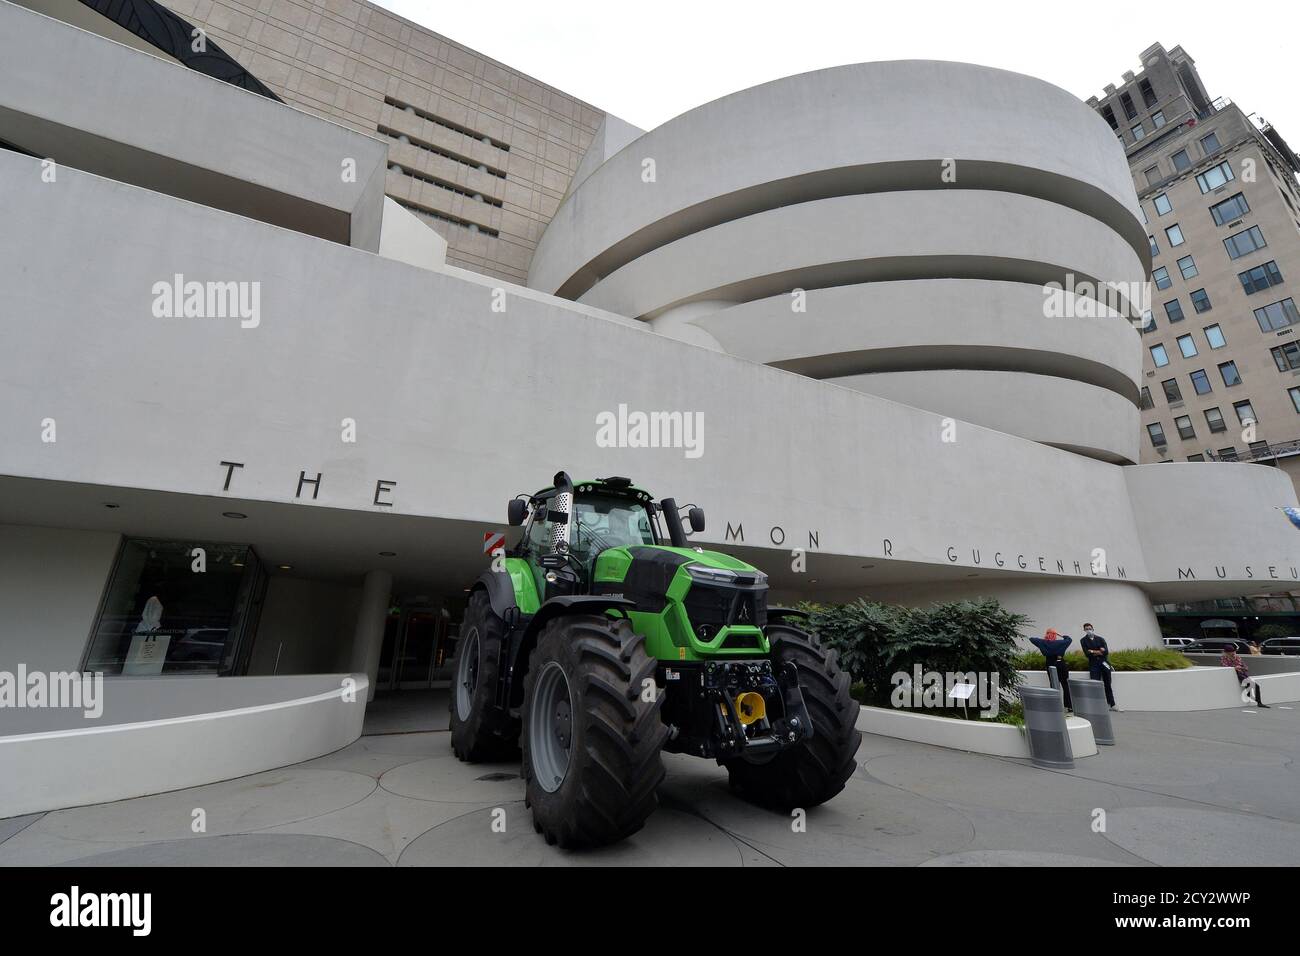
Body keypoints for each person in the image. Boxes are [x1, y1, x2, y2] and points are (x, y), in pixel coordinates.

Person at [1029, 628, 1072, 711]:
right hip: (1061, 664)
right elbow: (1069, 639)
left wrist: (1045, 638)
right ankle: (1069, 706)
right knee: (1065, 685)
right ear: (1055, 635)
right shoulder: (1061, 642)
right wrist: (1060, 634)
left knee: (1053, 685)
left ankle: (1055, 705)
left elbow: (1032, 639)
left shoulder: (1043, 643)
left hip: (1050, 663)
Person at [1079, 622, 1118, 710]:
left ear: (1093, 629)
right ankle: (1098, 705)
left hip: (1104, 663)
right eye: (1086, 629)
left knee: (1107, 683)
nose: (1088, 630)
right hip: (1093, 665)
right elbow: (1087, 653)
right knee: (1095, 684)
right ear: (1084, 630)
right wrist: (1099, 651)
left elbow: (1106, 651)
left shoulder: (1100, 639)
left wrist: (1093, 651)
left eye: (1090, 628)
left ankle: (1112, 704)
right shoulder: (1083, 640)